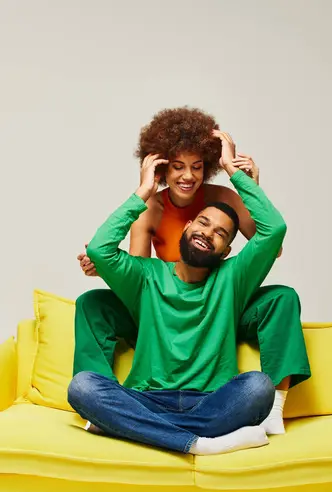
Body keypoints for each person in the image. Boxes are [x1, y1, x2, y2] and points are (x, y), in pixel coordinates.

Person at [75, 108, 311, 435]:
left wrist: (244, 180)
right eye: (178, 167)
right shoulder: (150, 213)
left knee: (279, 306)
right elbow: (132, 270)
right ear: (162, 169)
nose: (188, 175)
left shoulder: (225, 202)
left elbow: (271, 239)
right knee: (92, 306)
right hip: (158, 308)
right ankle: (188, 435)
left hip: (220, 303)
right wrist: (106, 266)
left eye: (197, 167)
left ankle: (130, 423)